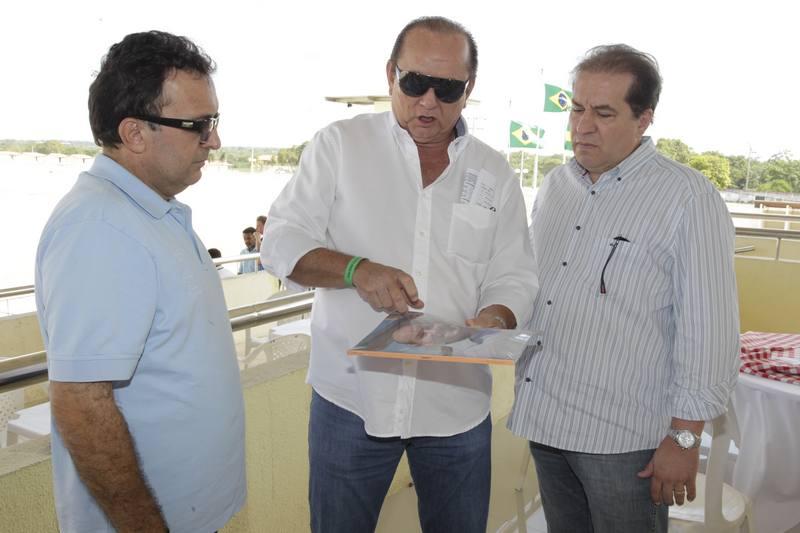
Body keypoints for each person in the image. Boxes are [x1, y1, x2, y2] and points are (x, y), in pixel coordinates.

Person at [261, 15, 538, 533]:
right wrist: (354, 270)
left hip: (456, 404)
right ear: (390, 74)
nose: (429, 101)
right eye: (414, 83)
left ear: (469, 88)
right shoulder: (340, 145)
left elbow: (514, 273)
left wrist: (496, 317)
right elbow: (279, 242)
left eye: (447, 88)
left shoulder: (494, 172)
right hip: (352, 400)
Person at [507, 44, 740, 532]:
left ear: (644, 118)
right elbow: (535, 287)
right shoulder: (556, 186)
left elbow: (709, 329)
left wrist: (684, 438)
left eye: (604, 113)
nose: (582, 126)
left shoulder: (687, 197)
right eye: (576, 109)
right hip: (545, 418)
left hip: (623, 440)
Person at [34, 31, 246, 533]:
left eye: (213, 122)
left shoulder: (147, 212)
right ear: (134, 133)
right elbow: (82, 405)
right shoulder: (101, 229)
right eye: (199, 125)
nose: (214, 140)